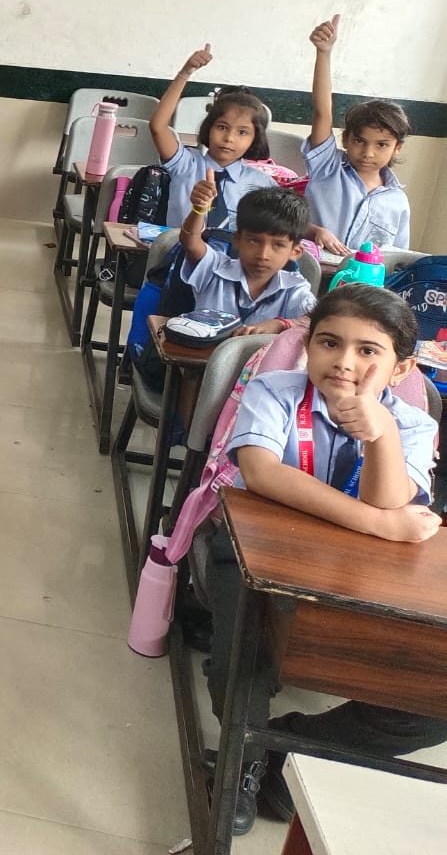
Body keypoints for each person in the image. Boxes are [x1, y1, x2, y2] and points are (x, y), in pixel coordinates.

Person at [205, 285, 447, 834]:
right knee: (244, 661)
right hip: (255, 556)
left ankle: (288, 744)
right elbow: (261, 472)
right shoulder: (275, 390)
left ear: (402, 368)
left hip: (357, 577)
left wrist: (381, 434)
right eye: (329, 342)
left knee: (433, 701)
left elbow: (390, 498)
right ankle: (244, 761)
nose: (344, 361)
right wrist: (381, 524)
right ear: (308, 346)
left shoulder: (413, 424)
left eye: (368, 351)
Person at [302, 14, 411, 254]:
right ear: (346, 139)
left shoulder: (397, 202)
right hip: (309, 268)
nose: (368, 153)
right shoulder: (327, 168)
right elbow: (322, 112)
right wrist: (324, 53)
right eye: (360, 141)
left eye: (381, 145)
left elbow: (397, 258)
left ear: (397, 148)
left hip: (362, 278)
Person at [148, 44, 277, 229]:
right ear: (208, 128)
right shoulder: (186, 164)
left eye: (242, 132)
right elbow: (158, 127)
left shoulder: (262, 184)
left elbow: (282, 223)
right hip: (179, 246)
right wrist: (186, 72)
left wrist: (314, 230)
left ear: (255, 139)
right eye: (222, 127)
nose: (229, 138)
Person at [180, 180, 316, 334]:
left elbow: (317, 321)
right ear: (237, 240)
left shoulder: (294, 288)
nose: (263, 255)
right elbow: (190, 242)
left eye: (278, 245)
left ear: (295, 252)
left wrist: (282, 324)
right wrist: (198, 210)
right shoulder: (214, 268)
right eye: (253, 241)